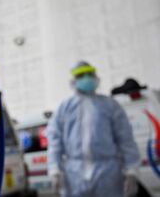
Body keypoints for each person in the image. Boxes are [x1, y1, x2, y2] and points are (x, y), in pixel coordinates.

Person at [47, 61, 140, 197]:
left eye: (89, 74)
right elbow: (55, 141)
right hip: (74, 175)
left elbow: (126, 139)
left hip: (108, 174)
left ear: (96, 77)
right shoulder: (64, 108)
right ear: (73, 81)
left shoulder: (110, 106)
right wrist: (54, 169)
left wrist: (132, 171)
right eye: (81, 76)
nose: (86, 78)